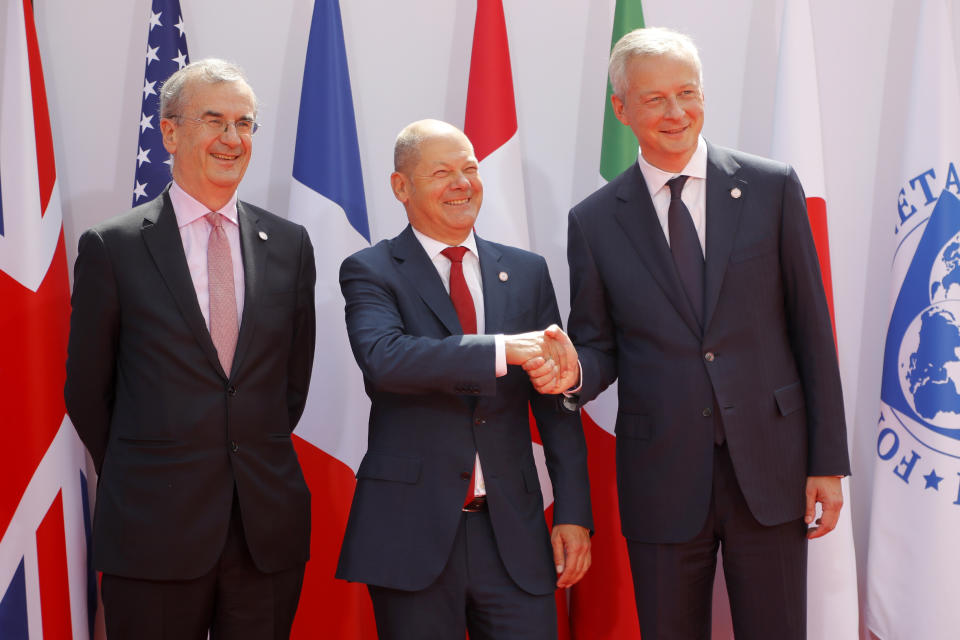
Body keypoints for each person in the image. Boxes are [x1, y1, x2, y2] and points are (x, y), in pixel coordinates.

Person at [562, 27, 851, 639]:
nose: (676, 113)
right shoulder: (592, 222)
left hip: (771, 469)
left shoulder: (771, 187)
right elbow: (598, 344)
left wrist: (826, 461)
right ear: (621, 109)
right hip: (662, 476)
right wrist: (575, 372)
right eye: (655, 99)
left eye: (687, 93)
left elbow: (812, 329)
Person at [64, 59, 315, 639]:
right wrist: (149, 470)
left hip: (265, 534)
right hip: (153, 530)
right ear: (171, 132)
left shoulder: (289, 244)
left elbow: (289, 384)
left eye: (245, 123)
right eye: (215, 121)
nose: (233, 139)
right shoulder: (113, 246)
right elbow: (87, 391)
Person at [336, 119, 593, 640]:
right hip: (412, 533)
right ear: (401, 187)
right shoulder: (371, 269)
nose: (462, 183)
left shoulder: (526, 271)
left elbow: (556, 402)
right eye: (442, 172)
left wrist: (572, 513)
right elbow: (385, 360)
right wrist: (502, 350)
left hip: (514, 535)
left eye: (470, 169)